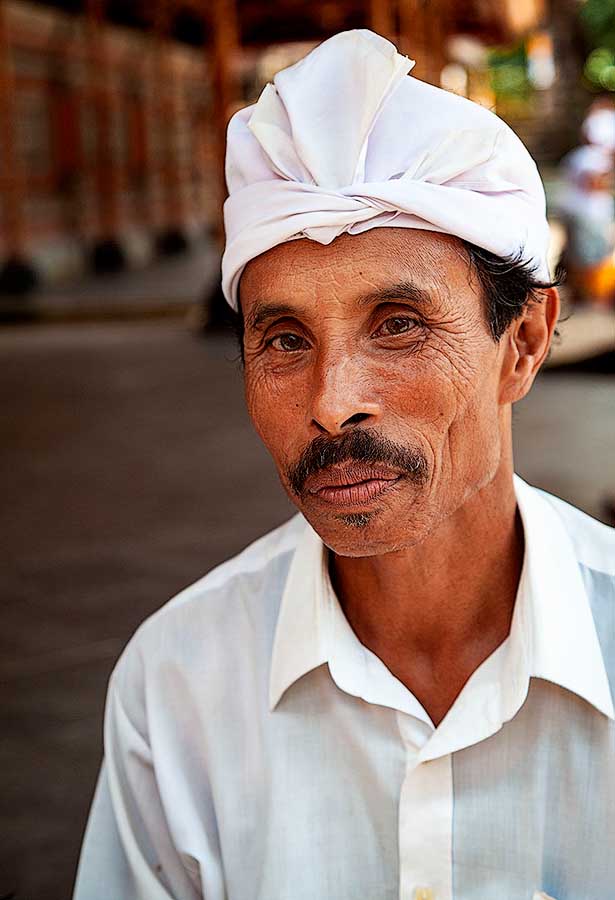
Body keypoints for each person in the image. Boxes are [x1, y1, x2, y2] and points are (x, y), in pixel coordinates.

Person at [73, 31, 615, 900]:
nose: (331, 402)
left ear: (523, 342)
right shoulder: (177, 682)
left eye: (398, 324)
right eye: (284, 341)